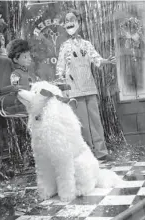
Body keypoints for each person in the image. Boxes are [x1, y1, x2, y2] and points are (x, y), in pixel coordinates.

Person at [56, 9, 116, 162]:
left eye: (73, 20)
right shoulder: (64, 46)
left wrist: (107, 61)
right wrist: (62, 86)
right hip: (74, 89)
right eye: (67, 21)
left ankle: (102, 152)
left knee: (95, 121)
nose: (70, 23)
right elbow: (60, 68)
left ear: (80, 23)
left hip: (89, 86)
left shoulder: (87, 44)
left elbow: (97, 59)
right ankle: (88, 154)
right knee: (82, 123)